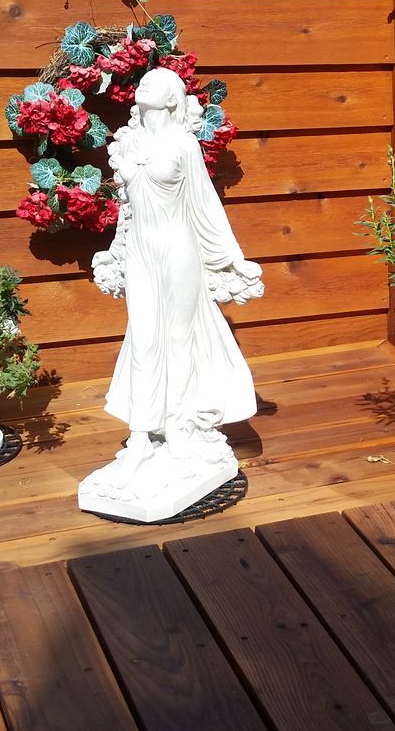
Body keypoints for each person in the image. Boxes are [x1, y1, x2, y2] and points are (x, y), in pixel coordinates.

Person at [81, 67, 263, 519]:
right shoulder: (127, 145)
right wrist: (114, 254)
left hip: (179, 251)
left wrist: (232, 258)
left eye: (156, 82)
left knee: (180, 340)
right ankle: (142, 438)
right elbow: (126, 213)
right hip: (141, 251)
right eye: (142, 81)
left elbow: (205, 205)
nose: (144, 84)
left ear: (171, 99)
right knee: (143, 341)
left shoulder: (183, 145)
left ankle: (181, 431)